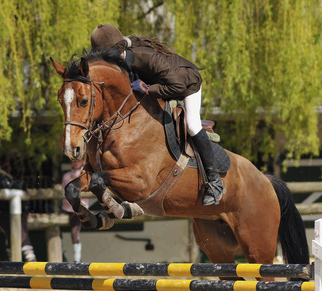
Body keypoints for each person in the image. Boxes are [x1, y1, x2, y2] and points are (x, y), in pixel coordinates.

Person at [90, 24, 225, 206]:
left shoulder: (147, 57)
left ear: (115, 51)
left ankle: (215, 182)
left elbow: (177, 87)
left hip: (186, 84)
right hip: (162, 85)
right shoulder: (122, 59)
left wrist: (147, 89)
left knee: (192, 125)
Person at [61, 159, 89, 263]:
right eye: (73, 161)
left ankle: (77, 259)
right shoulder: (66, 176)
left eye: (78, 161)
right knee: (56, 228)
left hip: (78, 207)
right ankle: (61, 253)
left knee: (74, 232)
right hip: (66, 207)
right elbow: (62, 189)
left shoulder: (85, 174)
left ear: (82, 161)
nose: (75, 163)